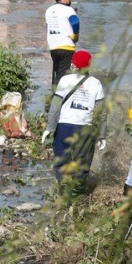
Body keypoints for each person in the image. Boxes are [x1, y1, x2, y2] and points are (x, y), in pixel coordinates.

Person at [41, 50, 107, 196]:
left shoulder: (65, 80)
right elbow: (101, 113)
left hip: (64, 127)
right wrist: (102, 135)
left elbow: (55, 106)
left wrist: (49, 128)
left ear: (75, 65)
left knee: (61, 161)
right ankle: (76, 198)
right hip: (85, 129)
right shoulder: (96, 83)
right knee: (82, 163)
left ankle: (64, 195)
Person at [45, 0, 79, 87]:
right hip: (66, 47)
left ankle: (52, 96)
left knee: (56, 73)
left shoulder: (49, 10)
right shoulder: (69, 10)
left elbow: (47, 28)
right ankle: (58, 99)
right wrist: (75, 36)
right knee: (64, 76)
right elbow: (76, 22)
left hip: (53, 47)